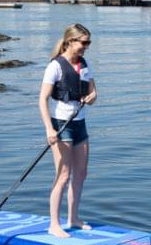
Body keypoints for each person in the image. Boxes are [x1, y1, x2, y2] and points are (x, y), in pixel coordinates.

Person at [39, 23, 97, 238]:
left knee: (81, 173)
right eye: (83, 42)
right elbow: (42, 100)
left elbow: (93, 89)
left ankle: (73, 218)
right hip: (61, 124)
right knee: (63, 175)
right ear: (70, 41)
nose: (86, 47)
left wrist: (92, 96)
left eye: (88, 42)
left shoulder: (84, 63)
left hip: (80, 124)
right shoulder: (55, 66)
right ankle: (54, 224)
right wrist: (49, 129)